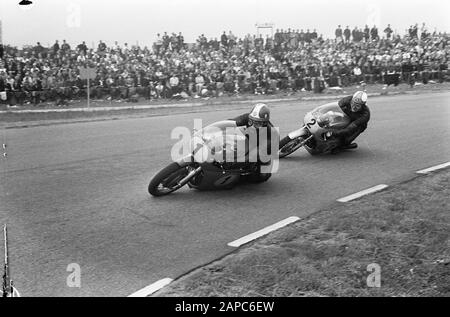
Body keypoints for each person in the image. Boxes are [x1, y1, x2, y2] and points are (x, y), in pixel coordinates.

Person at [228, 103, 277, 183]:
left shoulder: (271, 135)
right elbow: (229, 122)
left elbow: (253, 155)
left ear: (264, 123)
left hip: (262, 152)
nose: (252, 126)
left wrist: (232, 163)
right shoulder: (248, 117)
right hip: (250, 140)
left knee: (260, 177)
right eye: (251, 122)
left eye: (257, 124)